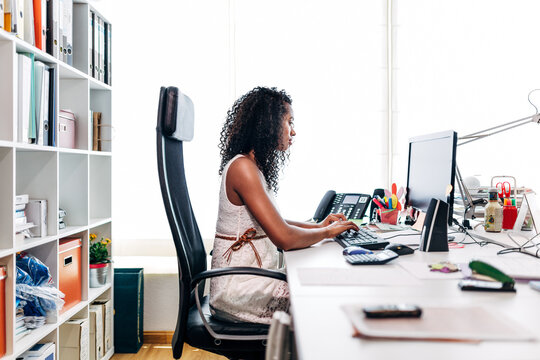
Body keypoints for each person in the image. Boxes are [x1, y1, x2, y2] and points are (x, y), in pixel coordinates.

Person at [209, 87, 358, 324]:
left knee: (322, 290)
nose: (294, 131)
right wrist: (327, 232)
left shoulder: (251, 167)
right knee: (319, 300)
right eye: (289, 121)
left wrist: (318, 226)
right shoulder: (243, 168)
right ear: (268, 124)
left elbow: (277, 223)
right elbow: (284, 238)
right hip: (237, 290)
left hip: (249, 281)